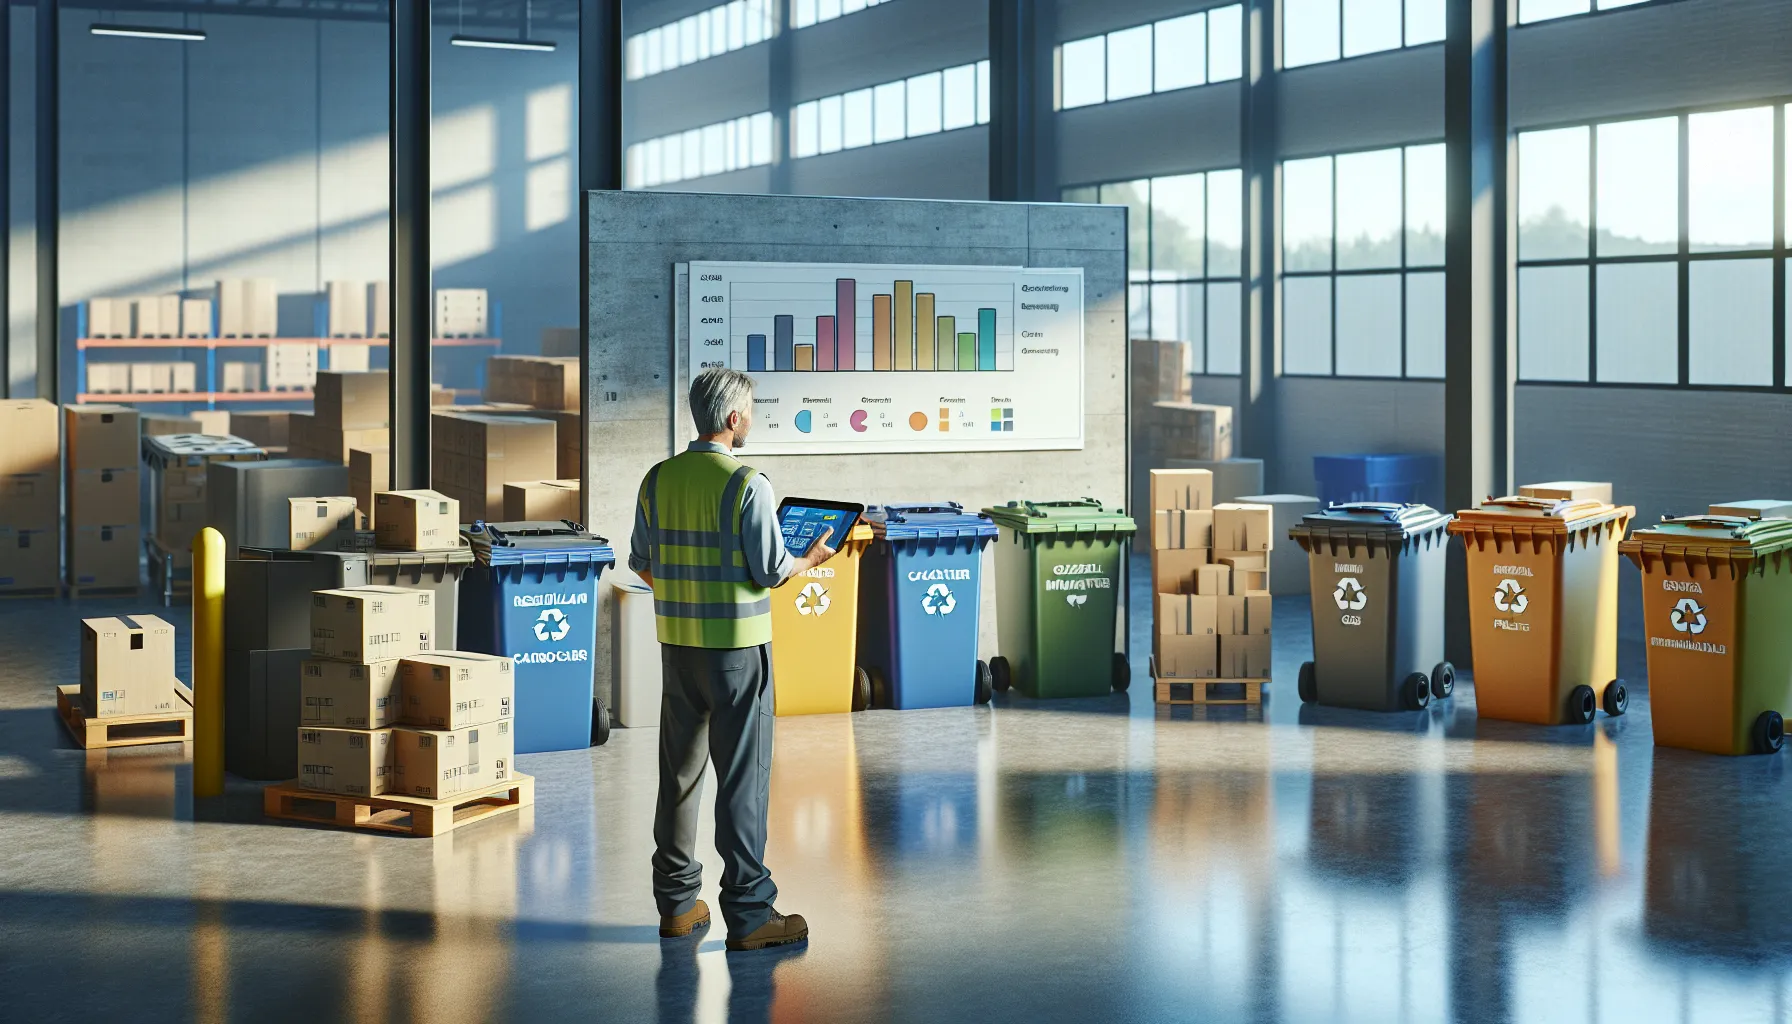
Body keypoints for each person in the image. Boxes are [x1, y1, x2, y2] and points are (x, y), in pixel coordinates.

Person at [629, 367, 838, 952]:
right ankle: (749, 916)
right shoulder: (748, 485)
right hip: (738, 655)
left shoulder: (657, 479)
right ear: (732, 419)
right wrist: (811, 559)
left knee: (679, 776)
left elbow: (640, 560)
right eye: (749, 411)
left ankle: (676, 906)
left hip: (678, 651)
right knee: (742, 782)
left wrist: (683, 596)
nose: (752, 420)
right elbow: (772, 570)